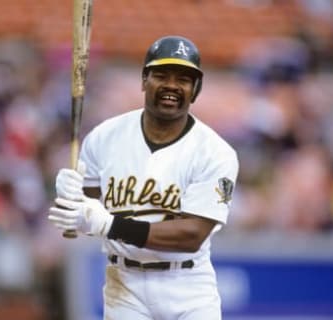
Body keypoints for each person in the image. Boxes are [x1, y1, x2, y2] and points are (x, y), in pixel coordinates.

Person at [48, 35, 239, 320]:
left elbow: (192, 235)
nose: (172, 86)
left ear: (195, 90)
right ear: (143, 81)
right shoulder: (103, 138)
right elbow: (82, 221)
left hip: (188, 287)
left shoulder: (215, 152)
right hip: (125, 284)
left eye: (184, 79)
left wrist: (110, 225)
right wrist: (70, 198)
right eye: (161, 75)